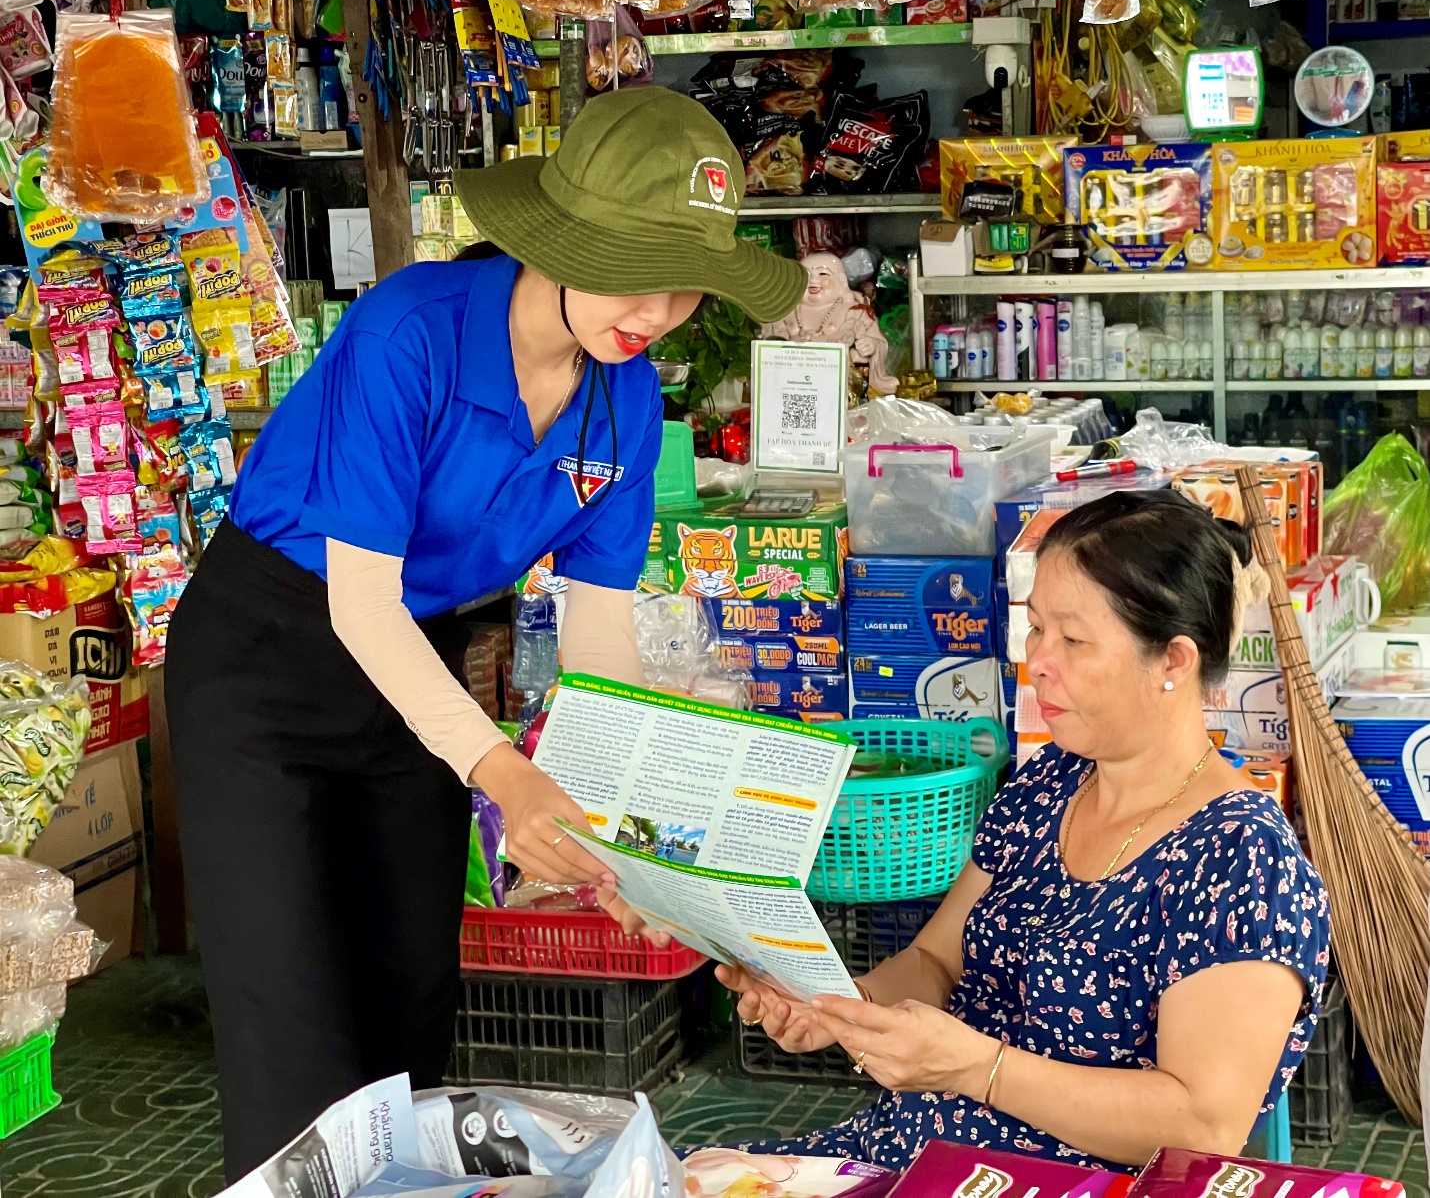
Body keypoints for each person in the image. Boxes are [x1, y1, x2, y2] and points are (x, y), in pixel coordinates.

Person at [165, 84, 805, 1183]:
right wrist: (505, 773)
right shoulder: (409, 332)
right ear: (561, 241)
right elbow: (359, 603)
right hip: (266, 659)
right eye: (635, 271)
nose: (656, 311)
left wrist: (621, 835)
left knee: (409, 1004)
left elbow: (599, 635)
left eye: (685, 284)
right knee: (292, 1023)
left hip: (419, 678)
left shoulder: (626, 401)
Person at [722, 491, 1331, 1172]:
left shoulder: (1242, 860)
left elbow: (1203, 1123)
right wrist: (844, 1006)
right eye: (1035, 628)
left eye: (1072, 639)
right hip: (904, 1154)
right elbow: (935, 962)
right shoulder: (1049, 783)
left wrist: (978, 1068)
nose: (1037, 660)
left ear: (1174, 661)